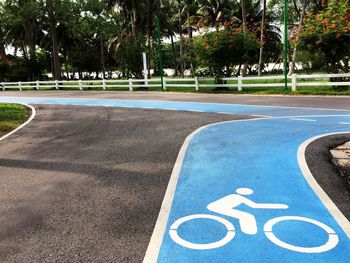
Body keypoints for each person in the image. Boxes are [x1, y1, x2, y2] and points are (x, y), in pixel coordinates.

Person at [207, 188, 288, 235]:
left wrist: (278, 206)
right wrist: (279, 206)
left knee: (246, 216)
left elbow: (254, 206)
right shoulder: (237, 197)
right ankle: (249, 231)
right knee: (247, 216)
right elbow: (255, 205)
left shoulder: (236, 196)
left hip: (218, 207)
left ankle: (249, 230)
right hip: (216, 207)